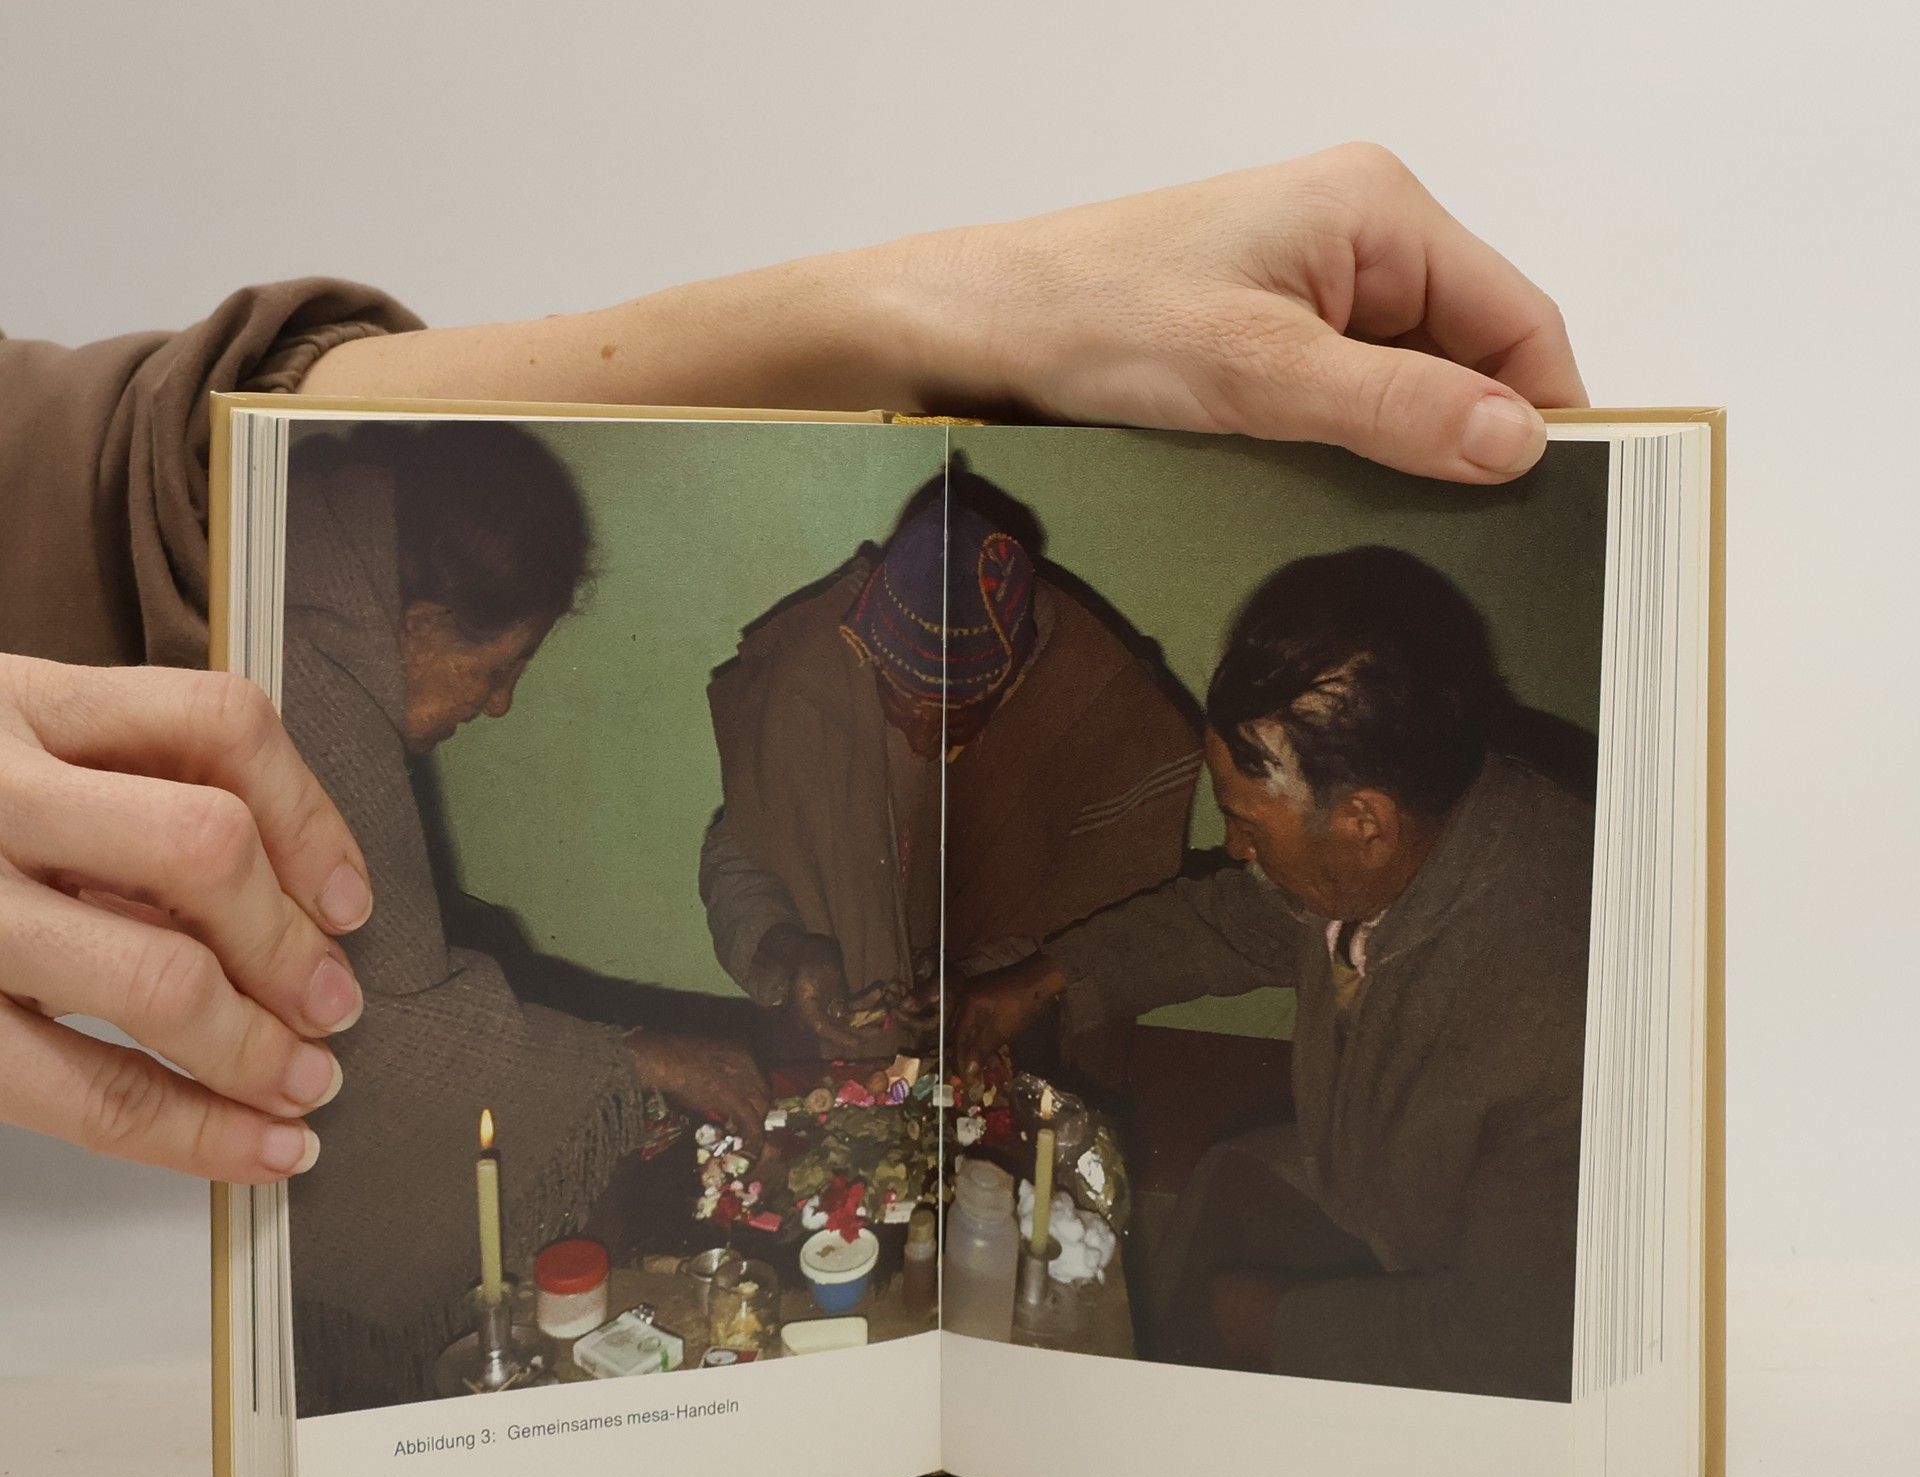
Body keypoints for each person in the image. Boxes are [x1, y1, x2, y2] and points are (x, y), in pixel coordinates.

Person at [0, 145, 1586, 1190]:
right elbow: (737, 849)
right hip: (829, 1054)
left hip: (1027, 1076)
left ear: (1021, 676)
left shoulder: (1131, 730)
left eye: (948, 707)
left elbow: (1161, 930)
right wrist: (794, 970)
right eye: (887, 690)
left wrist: (991, 1003)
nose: (906, 720)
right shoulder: (791, 677)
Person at [951, 548, 1595, 1402]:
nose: (1234, 848)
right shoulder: (1412, 826)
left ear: (1364, 822)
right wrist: (1048, 978)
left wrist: (1279, 1322)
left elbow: (1516, 1346)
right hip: (1375, 1182)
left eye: (1248, 823)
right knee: (1225, 1188)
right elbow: (1234, 920)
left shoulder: (1559, 1028)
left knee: (1222, 1314)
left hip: (1495, 1343)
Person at [271, 421, 768, 1408]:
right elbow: (375, 1034)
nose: (498, 705)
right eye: (498, 668)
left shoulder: (316, 598)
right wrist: (629, 1061)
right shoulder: (306, 696)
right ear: (417, 626)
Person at [699, 477, 1201, 1054]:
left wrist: (979, 978)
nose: (921, 741)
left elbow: (1115, 923)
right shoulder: (816, 676)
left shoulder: (1089, 707)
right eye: (901, 705)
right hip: (843, 1053)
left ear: (1012, 681)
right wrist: (791, 954)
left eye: (950, 720)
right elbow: (740, 858)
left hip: (1017, 1041)